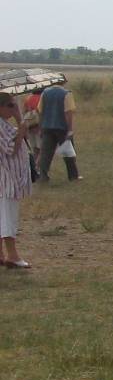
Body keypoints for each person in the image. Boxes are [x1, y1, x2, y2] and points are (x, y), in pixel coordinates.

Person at [0, 93, 33, 269]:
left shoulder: (5, 123)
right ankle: (13, 255)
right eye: (11, 105)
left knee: (3, 216)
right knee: (8, 217)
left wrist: (19, 118)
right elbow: (10, 149)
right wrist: (20, 131)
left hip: (10, 179)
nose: (14, 109)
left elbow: (22, 136)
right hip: (6, 180)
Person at [36, 77, 80, 182]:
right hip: (62, 128)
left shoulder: (45, 93)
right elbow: (68, 113)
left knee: (45, 153)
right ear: (63, 82)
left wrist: (41, 126)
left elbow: (40, 111)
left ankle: (43, 176)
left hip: (47, 127)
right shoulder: (66, 93)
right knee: (68, 152)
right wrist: (70, 130)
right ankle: (73, 176)